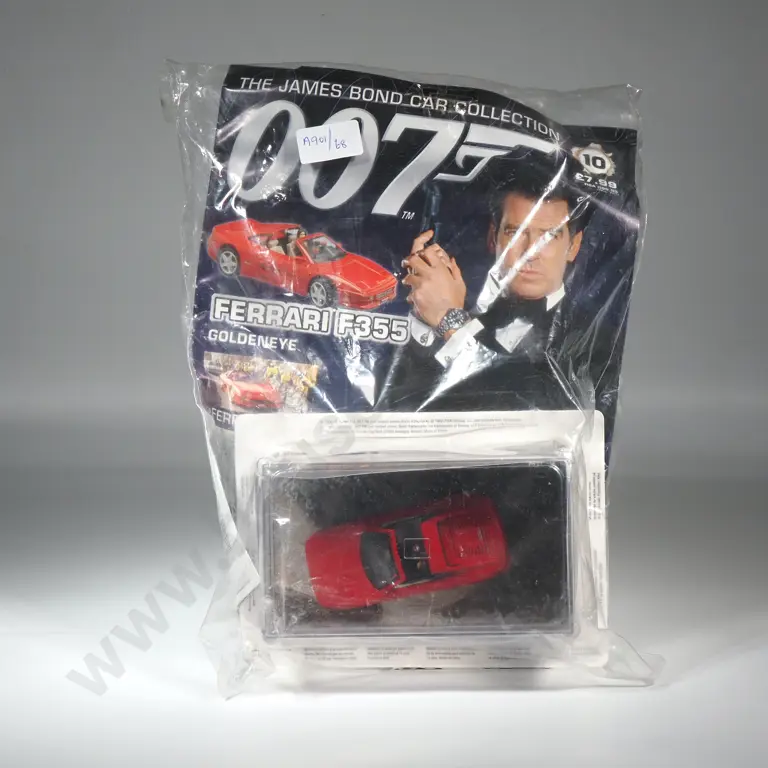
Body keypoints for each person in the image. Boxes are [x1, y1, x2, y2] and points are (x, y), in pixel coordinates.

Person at [374, 157, 598, 413]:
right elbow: (393, 409)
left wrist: (451, 322)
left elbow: (535, 412)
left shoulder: (597, 339)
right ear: (493, 238)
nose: (530, 252)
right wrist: (425, 312)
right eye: (515, 233)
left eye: (548, 236)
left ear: (574, 246)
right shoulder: (466, 322)